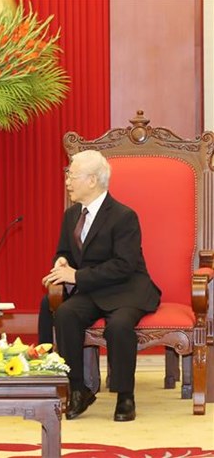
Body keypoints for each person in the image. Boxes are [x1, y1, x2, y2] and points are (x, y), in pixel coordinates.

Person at [40, 149, 160, 422]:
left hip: (127, 289)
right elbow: (66, 252)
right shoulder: (71, 215)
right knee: (66, 313)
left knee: (118, 326)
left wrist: (76, 277)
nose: (67, 180)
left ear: (92, 180)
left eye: (71, 175)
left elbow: (124, 265)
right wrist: (61, 261)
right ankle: (78, 388)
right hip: (94, 289)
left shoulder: (123, 216)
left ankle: (125, 395)